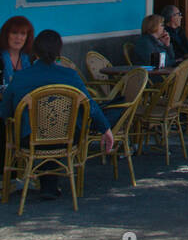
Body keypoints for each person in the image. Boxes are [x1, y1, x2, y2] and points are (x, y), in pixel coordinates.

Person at [0, 30, 113, 199]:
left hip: (30, 139)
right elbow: (91, 106)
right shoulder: (71, 76)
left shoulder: (21, 77)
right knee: (57, 124)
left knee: (36, 127)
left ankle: (15, 179)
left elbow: (5, 112)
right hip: (66, 138)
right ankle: (50, 185)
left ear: (34, 52)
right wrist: (106, 129)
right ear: (58, 52)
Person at [0, 15, 34, 86]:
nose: (18, 37)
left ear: (27, 37)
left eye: (23, 33)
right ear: (6, 35)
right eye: (14, 32)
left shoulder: (32, 57)